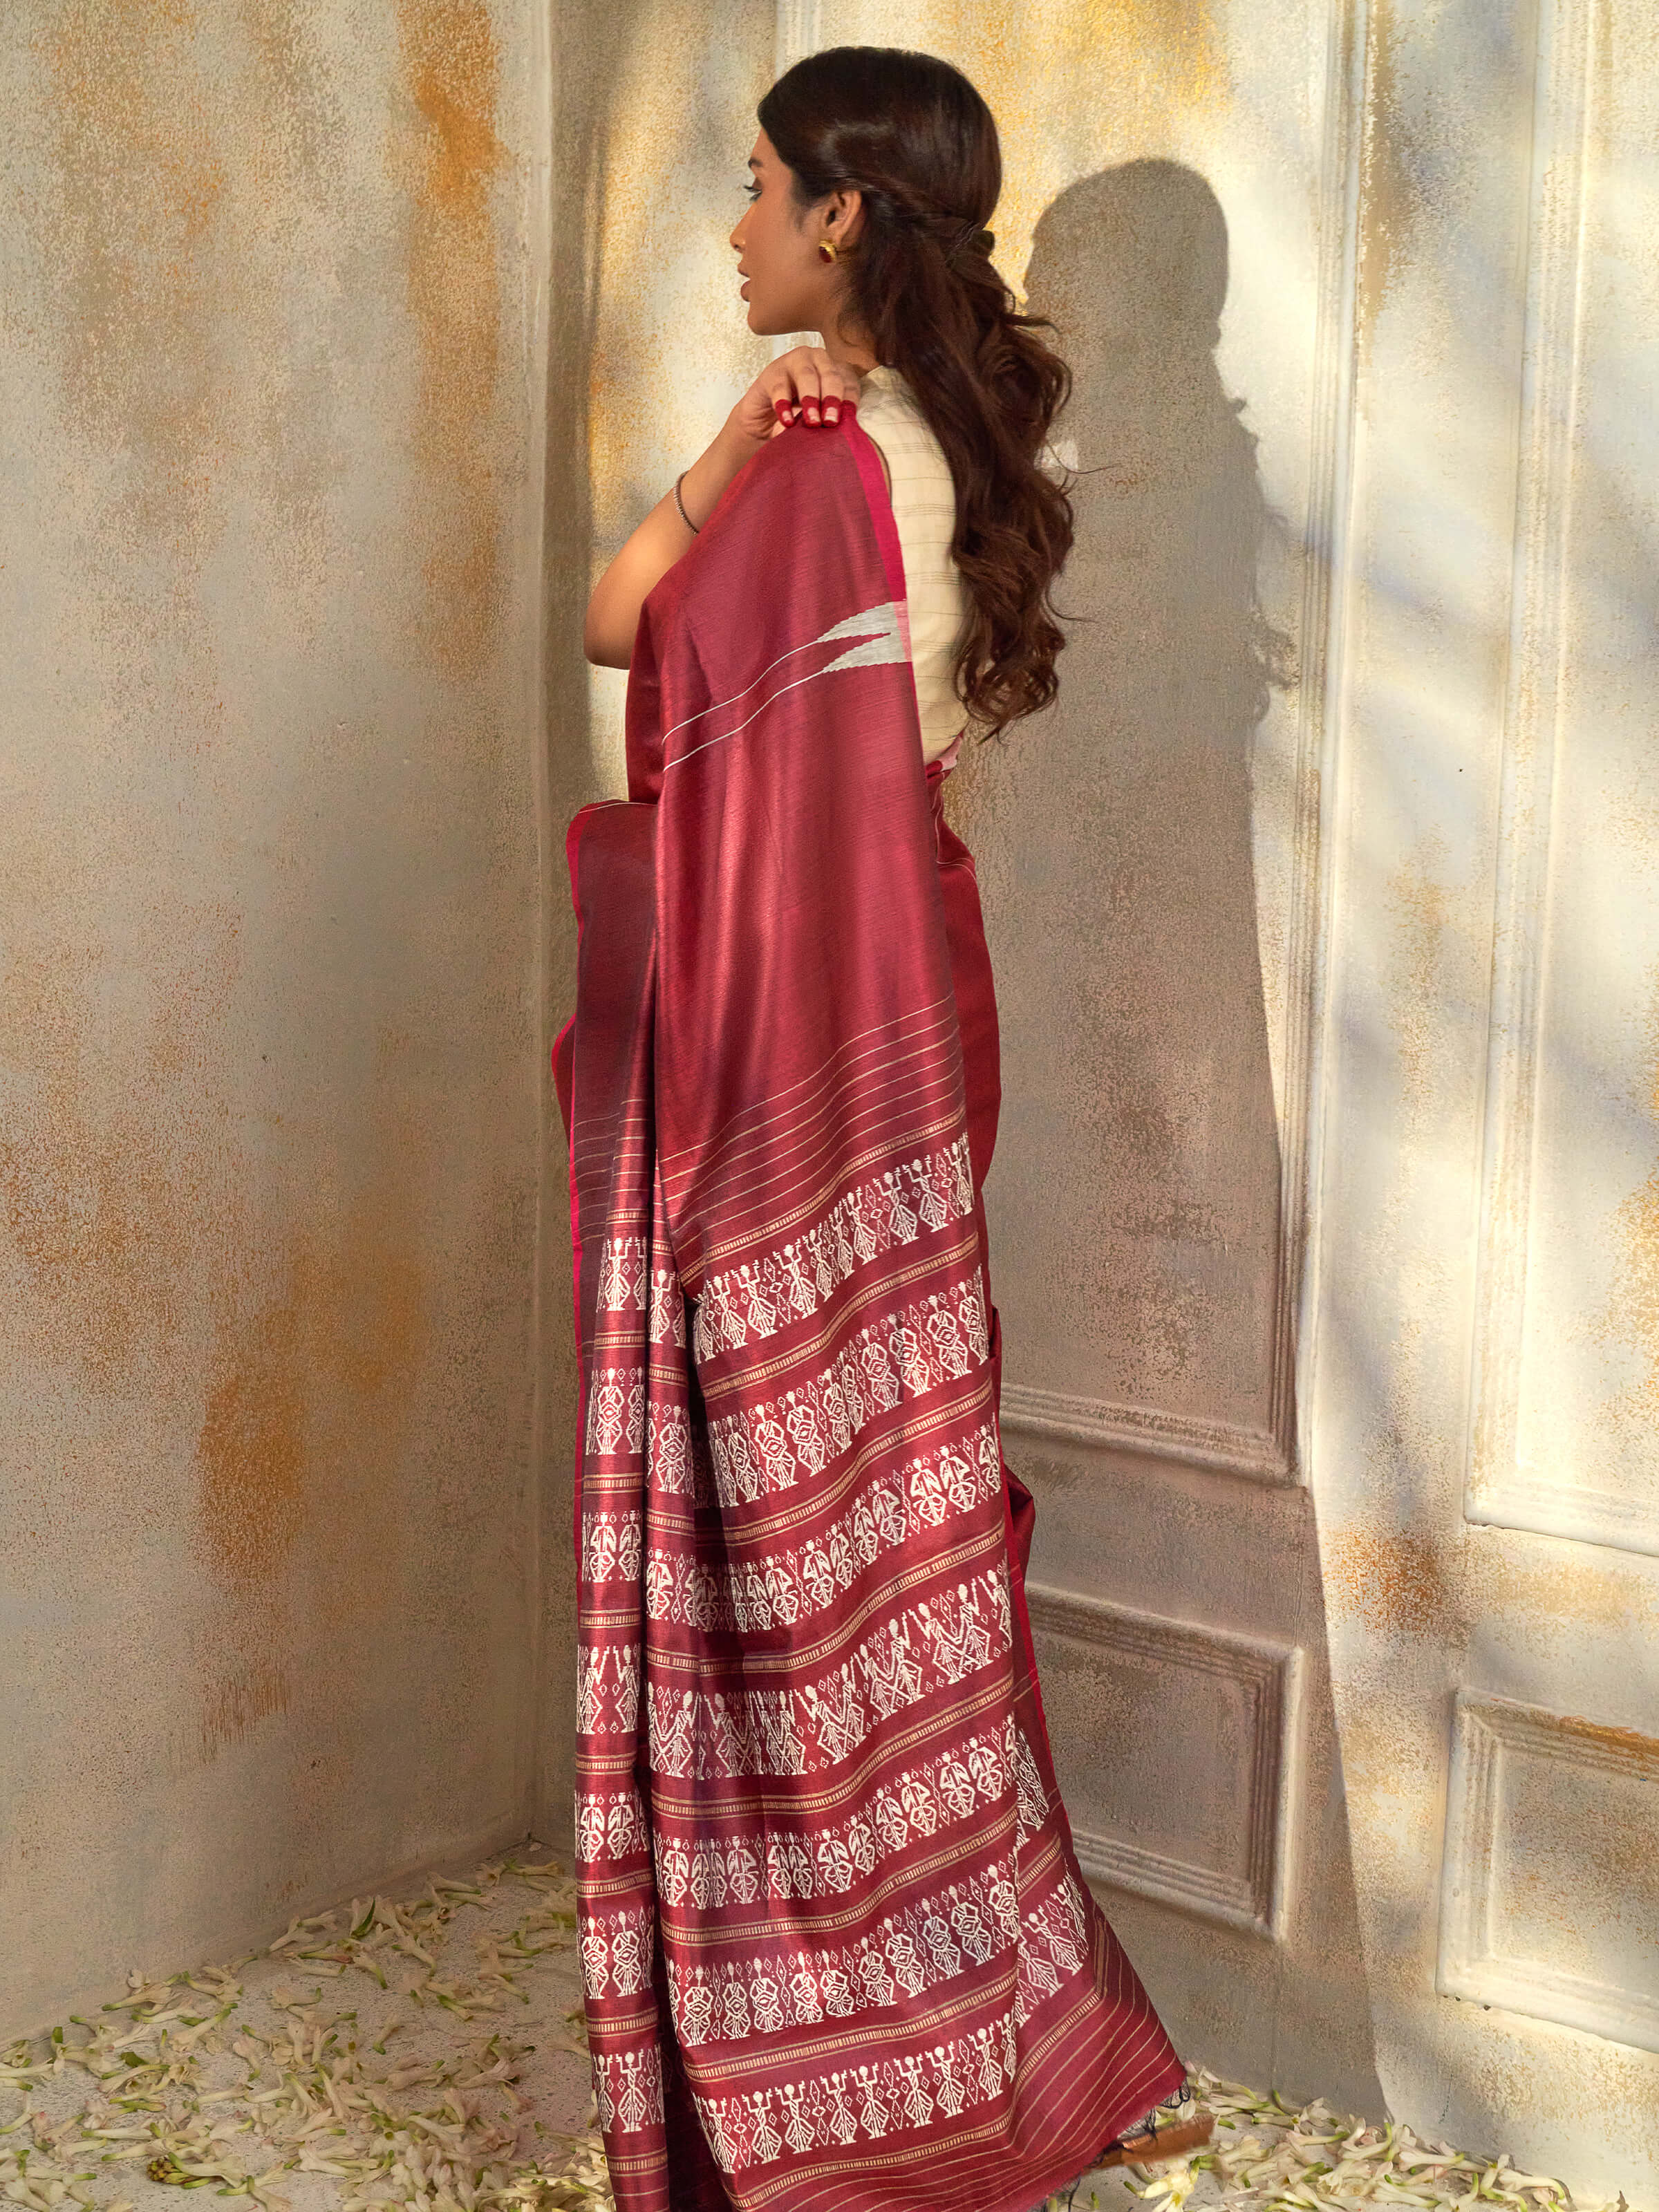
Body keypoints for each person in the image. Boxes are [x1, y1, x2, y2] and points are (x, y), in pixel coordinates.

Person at [564, 44, 1212, 2210]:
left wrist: (734, 461)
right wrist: (738, 436)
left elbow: (629, 642)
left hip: (787, 1062)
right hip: (907, 1030)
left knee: (787, 1558)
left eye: (759, 184)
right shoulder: (911, 444)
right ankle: (1008, 2038)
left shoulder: (831, 471)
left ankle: (835, 2081)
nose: (735, 221)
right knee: (898, 1540)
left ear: (844, 215)